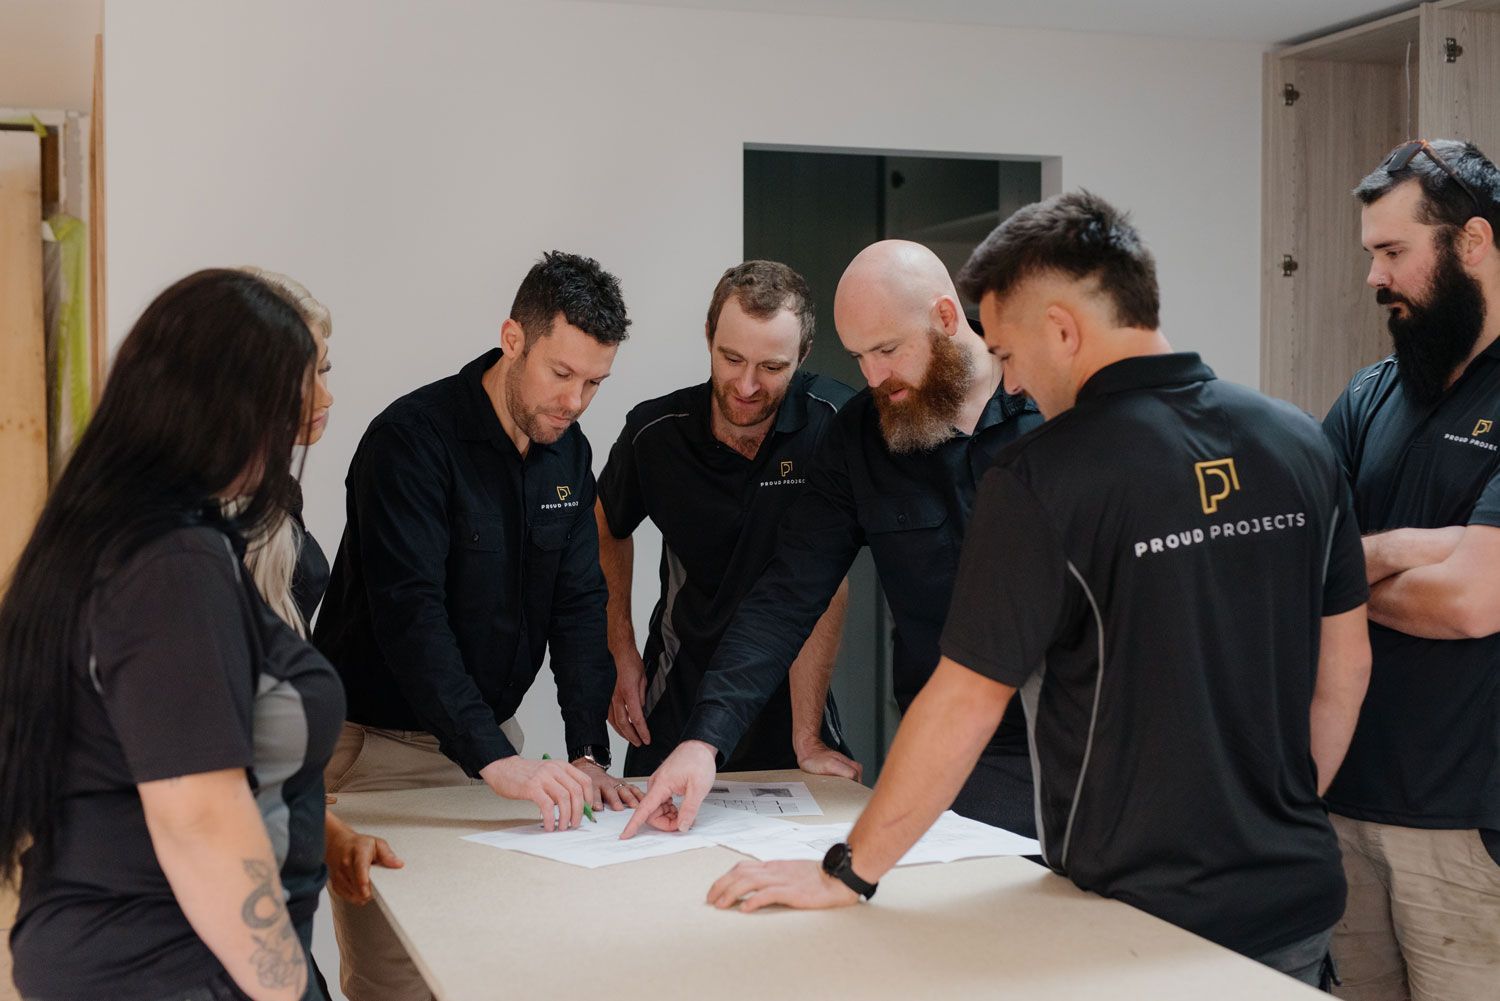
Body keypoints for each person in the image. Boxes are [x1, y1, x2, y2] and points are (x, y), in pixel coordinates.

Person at [702, 192, 1373, 991]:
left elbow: (964, 699)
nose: (1008, 372)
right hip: (1292, 899)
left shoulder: (1047, 473)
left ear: (1061, 329)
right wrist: (1283, 807)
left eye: (1010, 349)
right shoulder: (1297, 437)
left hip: (1130, 916)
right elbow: (1343, 663)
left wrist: (847, 872)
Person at [623, 239, 1043, 839]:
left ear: (946, 319)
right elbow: (787, 596)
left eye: (887, 350)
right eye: (859, 355)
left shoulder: (1055, 405)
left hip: (1085, 731)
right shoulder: (861, 439)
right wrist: (703, 740)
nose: (872, 377)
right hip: (961, 754)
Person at [0, 269, 343, 1001]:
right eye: (289, 400)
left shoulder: (113, 533)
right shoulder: (171, 562)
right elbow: (197, 818)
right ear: (224, 406)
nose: (306, 418)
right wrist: (288, 990)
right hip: (168, 962)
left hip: (135, 951)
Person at [313, 250, 637, 1001]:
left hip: (490, 750)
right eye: (562, 374)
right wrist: (496, 759)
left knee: (497, 968)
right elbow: (411, 618)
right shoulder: (411, 442)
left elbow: (579, 604)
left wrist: (588, 750)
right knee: (401, 982)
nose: (577, 400)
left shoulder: (567, 451)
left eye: (595, 382)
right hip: (381, 749)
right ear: (513, 338)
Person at [1322, 139, 1500, 1001]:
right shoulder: (1369, 396)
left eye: (1393, 253)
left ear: (1472, 242)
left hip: (1466, 826)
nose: (1374, 277)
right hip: (1345, 803)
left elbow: (1471, 598)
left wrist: (1349, 572)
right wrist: (1402, 550)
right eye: (1371, 255)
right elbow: (1290, 571)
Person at [596, 260, 859, 779]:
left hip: (790, 707)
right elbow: (604, 527)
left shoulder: (834, 427)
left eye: (772, 367)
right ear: (709, 338)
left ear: (803, 355)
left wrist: (807, 736)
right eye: (731, 358)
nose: (745, 385)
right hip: (676, 694)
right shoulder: (656, 433)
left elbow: (829, 585)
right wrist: (620, 650)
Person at [235, 270, 403, 1000]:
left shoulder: (276, 497)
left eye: (326, 370)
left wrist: (326, 829)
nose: (326, 397)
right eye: (306, 378)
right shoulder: (208, 537)